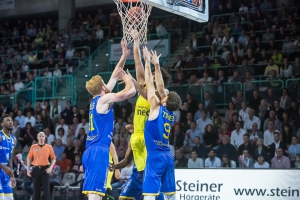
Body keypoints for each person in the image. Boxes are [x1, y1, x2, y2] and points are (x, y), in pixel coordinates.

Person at [109, 34, 172, 200]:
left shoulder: (160, 95)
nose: (148, 73)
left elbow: (144, 90)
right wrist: (136, 41)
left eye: (151, 72)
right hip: (138, 135)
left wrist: (134, 78)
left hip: (149, 140)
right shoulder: (144, 83)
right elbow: (137, 61)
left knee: (150, 183)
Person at [82, 41, 136, 199]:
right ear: (101, 88)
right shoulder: (103, 100)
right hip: (98, 150)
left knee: (95, 194)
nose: (107, 84)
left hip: (91, 150)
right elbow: (130, 91)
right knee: (95, 195)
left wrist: (124, 56)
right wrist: (125, 77)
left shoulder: (96, 100)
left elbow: (113, 75)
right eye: (105, 84)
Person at [142, 46, 181, 199]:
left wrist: (147, 63)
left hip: (155, 156)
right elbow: (161, 86)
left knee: (149, 194)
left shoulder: (155, 108)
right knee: (170, 194)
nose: (163, 93)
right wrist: (157, 65)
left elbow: (150, 86)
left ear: (165, 102)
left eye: (165, 95)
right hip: (167, 156)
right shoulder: (171, 113)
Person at [26, 132, 56, 200]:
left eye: (42, 136)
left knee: (46, 190)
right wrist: (28, 169)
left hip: (45, 169)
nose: (41, 137)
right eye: (40, 136)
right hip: (36, 169)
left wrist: (50, 168)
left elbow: (53, 159)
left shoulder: (49, 147)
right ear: (37, 137)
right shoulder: (33, 147)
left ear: (45, 137)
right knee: (35, 189)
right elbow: (29, 158)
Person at [0, 115, 16, 200]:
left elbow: (10, 158)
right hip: (2, 168)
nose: (11, 122)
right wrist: (4, 167)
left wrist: (12, 176)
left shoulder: (13, 139)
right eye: (7, 120)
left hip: (5, 172)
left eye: (11, 120)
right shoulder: (0, 136)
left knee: (9, 198)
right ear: (2, 124)